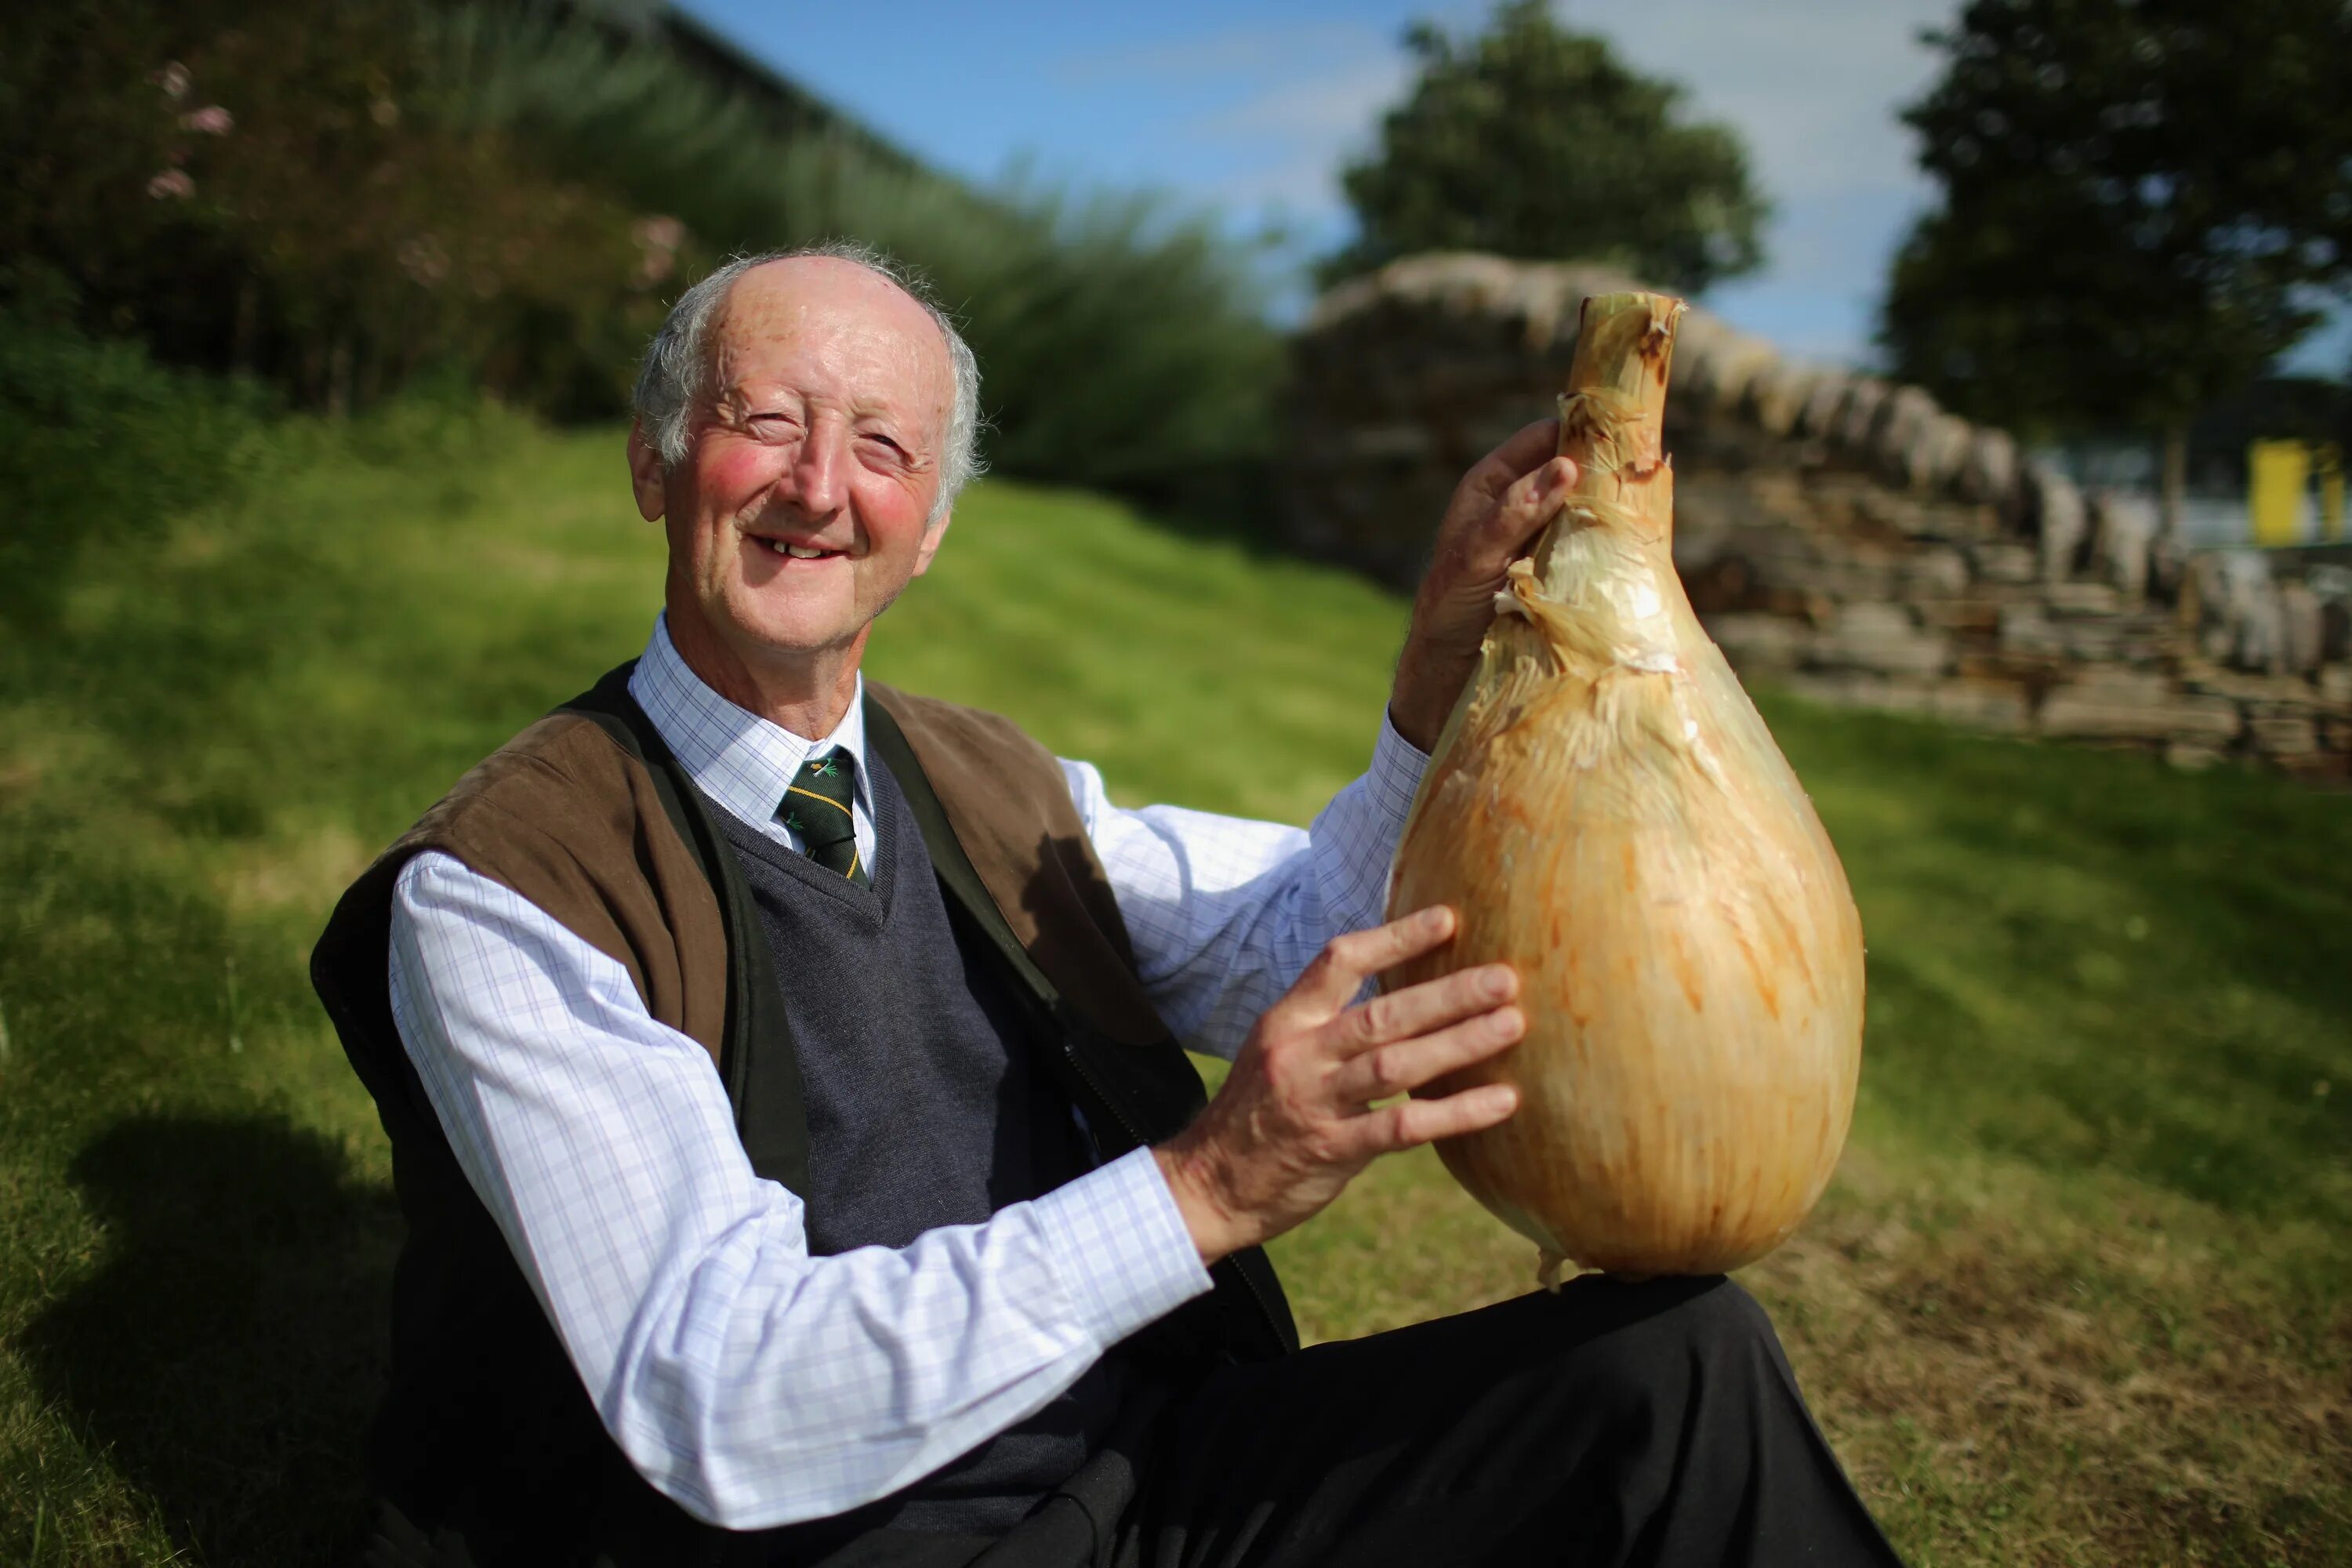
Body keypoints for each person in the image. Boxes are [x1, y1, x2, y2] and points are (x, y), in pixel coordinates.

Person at [312, 243, 1904, 1568]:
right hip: (836, 1547)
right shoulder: (508, 890)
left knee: (1672, 1374)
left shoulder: (992, 783)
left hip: (1152, 1472)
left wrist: (1439, 673)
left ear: (928, 527)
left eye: (882, 447)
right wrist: (1209, 1184)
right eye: (763, 422)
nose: (818, 485)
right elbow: (715, 1391)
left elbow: (1295, 946)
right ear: (657, 463)